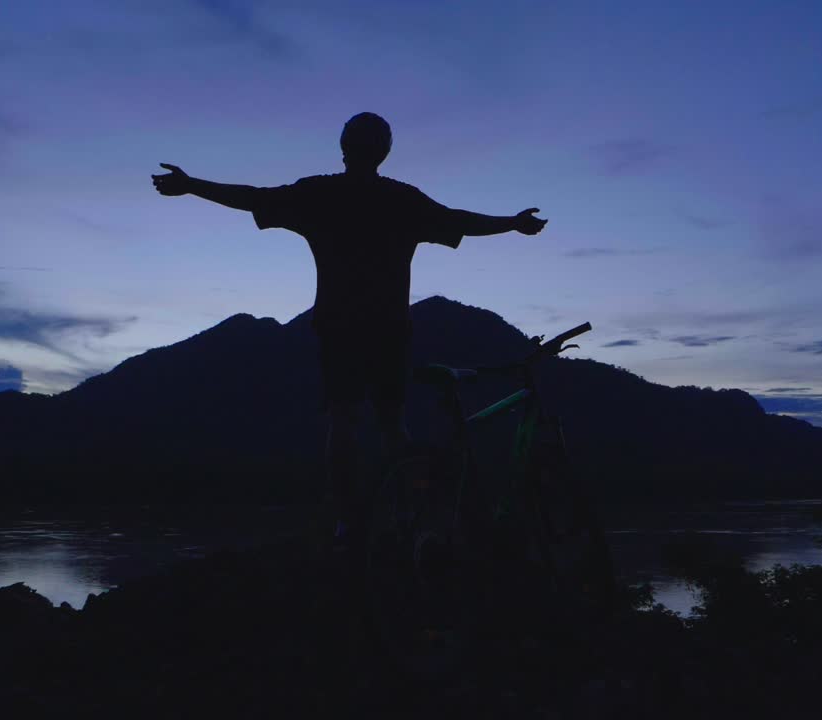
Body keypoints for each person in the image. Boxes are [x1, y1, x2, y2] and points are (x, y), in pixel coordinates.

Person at [151, 112, 546, 549]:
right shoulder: (401, 200)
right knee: (392, 423)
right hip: (390, 328)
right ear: (385, 151)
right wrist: (511, 223)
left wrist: (193, 186)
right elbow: (459, 220)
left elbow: (252, 197)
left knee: (344, 419)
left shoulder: (320, 194)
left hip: (339, 325)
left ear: (344, 147)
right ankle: (403, 517)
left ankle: (348, 521)